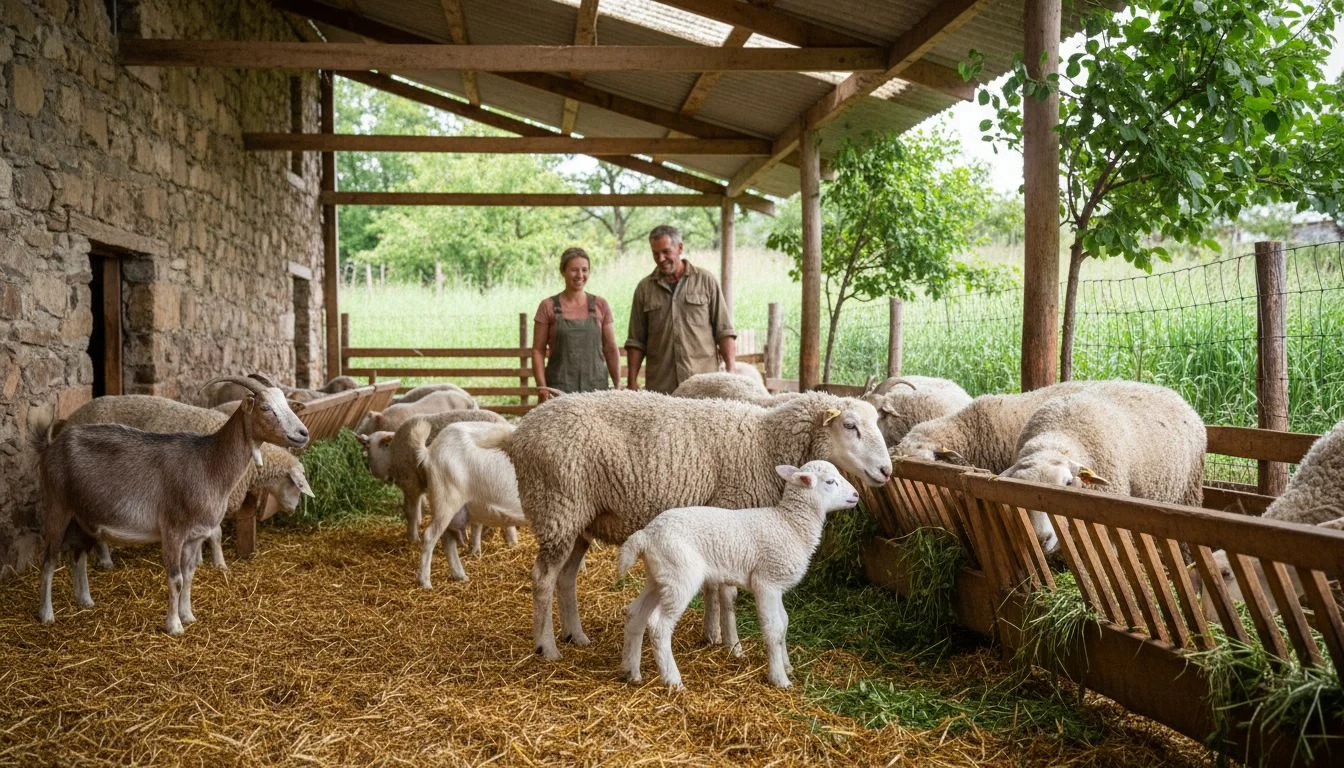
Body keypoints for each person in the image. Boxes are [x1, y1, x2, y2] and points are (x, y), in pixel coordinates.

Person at [625, 224, 736, 394]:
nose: (661, 258)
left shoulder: (706, 281)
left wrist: (731, 373)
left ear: (680, 248)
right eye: (656, 254)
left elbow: (724, 331)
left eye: (666, 252)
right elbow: (636, 341)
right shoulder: (644, 289)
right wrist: (631, 382)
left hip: (703, 386)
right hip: (661, 387)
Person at [531, 247, 622, 402]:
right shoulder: (547, 306)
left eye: (584, 270)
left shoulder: (600, 305)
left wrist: (618, 384)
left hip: (597, 391)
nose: (580, 275)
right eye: (574, 270)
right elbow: (538, 351)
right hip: (558, 391)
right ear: (562, 271)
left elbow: (611, 348)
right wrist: (542, 387)